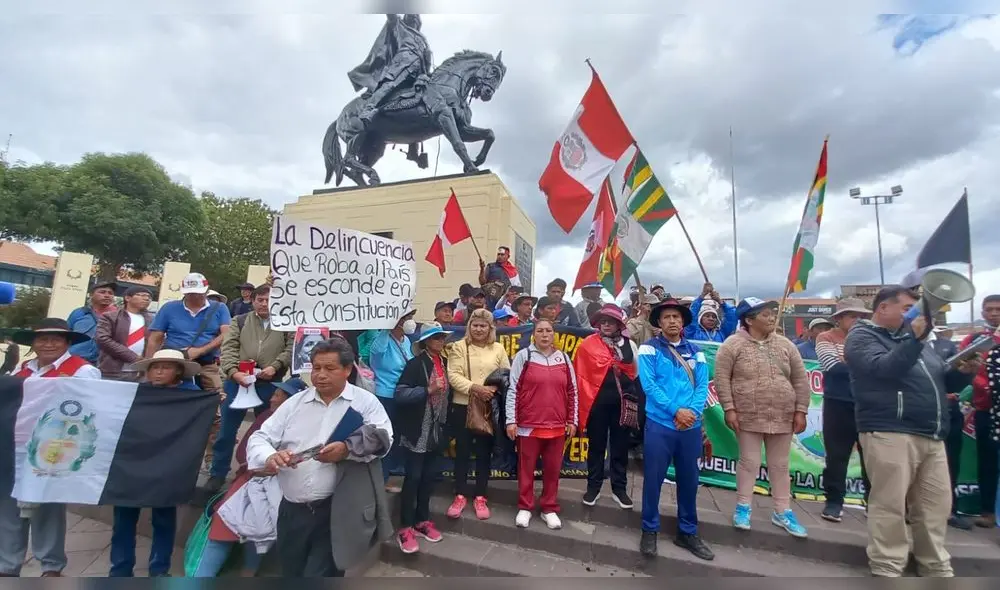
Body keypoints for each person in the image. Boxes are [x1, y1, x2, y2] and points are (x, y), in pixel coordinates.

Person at [845, 285, 978, 578]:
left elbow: (939, 380)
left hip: (931, 434)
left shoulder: (916, 342)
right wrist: (915, 340)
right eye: (907, 309)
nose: (914, 315)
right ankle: (887, 566)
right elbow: (884, 369)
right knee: (890, 504)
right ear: (882, 308)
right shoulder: (862, 336)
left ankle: (935, 566)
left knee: (935, 507)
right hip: (889, 430)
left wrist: (961, 373)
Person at [246, 339, 393, 577]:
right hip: (291, 510)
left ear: (347, 370)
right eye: (316, 368)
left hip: (335, 510)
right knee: (291, 570)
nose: (320, 375)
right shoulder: (294, 404)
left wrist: (347, 449)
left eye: (329, 368)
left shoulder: (365, 402)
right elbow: (259, 438)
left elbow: (385, 439)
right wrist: (271, 456)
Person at [0, 318, 101, 577]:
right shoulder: (22, 369)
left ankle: (51, 565)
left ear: (67, 343)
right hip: (13, 447)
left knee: (47, 507)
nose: (48, 343)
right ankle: (8, 564)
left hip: (54, 447)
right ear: (33, 343)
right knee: (9, 506)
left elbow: (92, 409)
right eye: (42, 338)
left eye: (56, 338)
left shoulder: (82, 370)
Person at [715, 297, 811, 538]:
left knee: (780, 465)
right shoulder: (731, 345)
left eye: (772, 313)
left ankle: (782, 511)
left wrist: (801, 410)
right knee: (749, 462)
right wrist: (729, 408)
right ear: (749, 320)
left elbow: (800, 379)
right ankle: (743, 507)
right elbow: (721, 379)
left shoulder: (786, 345)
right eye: (765, 314)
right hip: (748, 414)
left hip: (783, 414)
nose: (771, 318)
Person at [195, 378, 308, 577]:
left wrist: (279, 466)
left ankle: (248, 572)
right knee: (224, 521)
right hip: (250, 477)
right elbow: (242, 453)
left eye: (278, 396)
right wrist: (262, 465)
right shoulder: (266, 416)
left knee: (261, 526)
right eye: (274, 395)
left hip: (284, 482)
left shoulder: (306, 425)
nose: (272, 400)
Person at [110, 349, 202, 577]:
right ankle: (120, 570)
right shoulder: (135, 394)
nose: (159, 371)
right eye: (155, 366)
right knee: (123, 520)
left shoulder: (193, 398)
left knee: (163, 520)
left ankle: (159, 569)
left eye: (166, 367)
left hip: (168, 467)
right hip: (132, 465)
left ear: (179, 372)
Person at [636, 299, 714, 561]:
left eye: (677, 317)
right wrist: (675, 411)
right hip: (660, 424)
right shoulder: (649, 349)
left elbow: (702, 387)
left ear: (683, 322)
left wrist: (690, 413)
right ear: (658, 322)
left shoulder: (697, 351)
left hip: (689, 426)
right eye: (667, 317)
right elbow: (649, 386)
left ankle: (688, 532)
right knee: (654, 480)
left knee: (689, 481)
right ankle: (649, 529)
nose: (672, 321)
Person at [206, 284, 294, 494]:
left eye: (269, 300)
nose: (264, 304)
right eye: (260, 300)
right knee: (226, 432)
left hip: (270, 384)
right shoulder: (240, 320)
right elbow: (228, 349)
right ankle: (217, 474)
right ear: (252, 301)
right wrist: (235, 373)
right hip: (238, 383)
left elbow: (291, 349)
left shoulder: (286, 323)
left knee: (269, 430)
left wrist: (275, 366)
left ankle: (257, 472)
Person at [506, 319, 579, 530]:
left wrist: (572, 420)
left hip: (556, 427)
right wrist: (511, 420)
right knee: (526, 469)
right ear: (533, 334)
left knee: (553, 470)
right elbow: (513, 390)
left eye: (548, 331)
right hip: (528, 425)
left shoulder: (564, 358)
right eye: (540, 331)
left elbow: (572, 391)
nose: (545, 335)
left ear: (554, 334)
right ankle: (525, 507)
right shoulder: (524, 356)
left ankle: (549, 508)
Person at [445, 308, 509, 520]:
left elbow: (505, 375)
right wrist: (476, 388)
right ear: (469, 326)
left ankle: (481, 496)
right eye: (475, 324)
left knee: (484, 454)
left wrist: (494, 390)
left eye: (483, 325)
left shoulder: (498, 348)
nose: (479, 329)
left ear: (490, 328)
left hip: (488, 408)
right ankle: (460, 494)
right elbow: (453, 376)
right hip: (463, 406)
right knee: (462, 452)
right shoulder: (458, 347)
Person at [393, 323, 452, 554]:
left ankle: (422, 520)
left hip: (436, 431)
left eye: (442, 338)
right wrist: (426, 390)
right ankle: (405, 526)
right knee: (413, 478)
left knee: (429, 477)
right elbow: (400, 393)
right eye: (436, 338)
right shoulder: (415, 364)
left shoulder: (444, 363)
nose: (440, 341)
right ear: (426, 341)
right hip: (417, 429)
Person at [575, 304, 639, 509]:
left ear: (619, 324)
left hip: (622, 404)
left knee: (620, 446)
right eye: (603, 321)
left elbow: (635, 373)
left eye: (610, 321)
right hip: (596, 404)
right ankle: (593, 486)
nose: (606, 324)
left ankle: (619, 489)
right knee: (596, 446)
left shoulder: (631, 345)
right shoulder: (587, 344)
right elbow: (580, 374)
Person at [815, 297, 872, 523]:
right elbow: (832, 367)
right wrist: (870, 368)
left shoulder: (872, 338)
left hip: (868, 404)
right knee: (837, 455)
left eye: (861, 316)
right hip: (837, 402)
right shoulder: (826, 336)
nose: (858, 320)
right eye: (852, 316)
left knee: (873, 457)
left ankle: (874, 502)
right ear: (838, 318)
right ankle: (834, 502)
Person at [958, 294, 1000, 527]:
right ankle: (988, 512)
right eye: (989, 309)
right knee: (988, 462)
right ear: (983, 312)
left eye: (998, 309)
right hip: (985, 410)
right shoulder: (975, 340)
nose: (994, 313)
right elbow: (960, 368)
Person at [351, 14, 432, 127]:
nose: (414, 18)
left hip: (418, 70)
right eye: (411, 16)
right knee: (389, 86)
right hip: (401, 65)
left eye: (416, 17)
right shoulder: (399, 27)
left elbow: (427, 56)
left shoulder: (423, 39)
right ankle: (368, 110)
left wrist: (427, 70)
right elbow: (391, 15)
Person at [928, 325, 972, 530]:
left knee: (950, 463)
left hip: (948, 414)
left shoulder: (946, 345)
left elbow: (955, 383)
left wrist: (964, 372)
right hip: (917, 417)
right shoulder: (899, 342)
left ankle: (949, 511)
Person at [368, 309, 417, 484]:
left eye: (410, 317)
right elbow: (377, 351)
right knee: (384, 439)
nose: (410, 321)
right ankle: (379, 480)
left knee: (396, 439)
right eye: (406, 318)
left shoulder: (406, 341)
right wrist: (388, 327)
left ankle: (386, 477)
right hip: (385, 396)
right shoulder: (382, 341)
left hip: (403, 396)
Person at [95, 286, 154, 381]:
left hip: (141, 373)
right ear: (127, 298)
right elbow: (102, 339)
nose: (146, 298)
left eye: (148, 297)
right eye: (141, 295)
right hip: (112, 371)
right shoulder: (110, 317)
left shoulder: (153, 320)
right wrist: (133, 357)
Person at [67, 280, 118, 364]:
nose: (107, 295)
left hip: (105, 363)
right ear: (91, 295)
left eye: (110, 293)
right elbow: (66, 335)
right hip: (76, 360)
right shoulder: (79, 313)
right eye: (102, 292)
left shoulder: (120, 316)